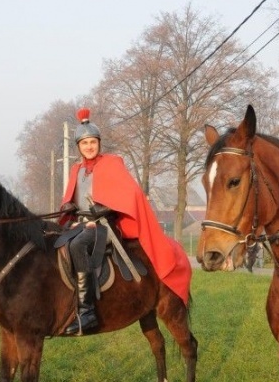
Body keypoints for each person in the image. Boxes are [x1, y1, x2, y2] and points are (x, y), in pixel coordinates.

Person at [59, 108, 191, 335]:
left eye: (93, 142)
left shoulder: (111, 164)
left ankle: (87, 311)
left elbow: (129, 195)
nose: (89, 146)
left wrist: (103, 209)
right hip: (81, 224)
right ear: (78, 147)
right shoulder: (76, 169)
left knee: (78, 245)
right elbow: (72, 198)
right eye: (84, 143)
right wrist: (68, 209)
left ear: (98, 143)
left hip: (104, 226)